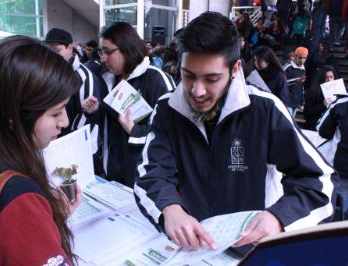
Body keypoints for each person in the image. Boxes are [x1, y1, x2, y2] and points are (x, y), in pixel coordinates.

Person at [134, 12, 336, 251]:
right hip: (194, 247)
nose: (197, 91)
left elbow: (319, 180)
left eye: (212, 78)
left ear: (235, 68)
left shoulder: (264, 109)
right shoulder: (168, 109)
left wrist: (279, 218)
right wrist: (170, 209)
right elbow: (151, 173)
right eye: (188, 76)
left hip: (253, 246)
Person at [0, 35, 82, 264]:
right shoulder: (18, 198)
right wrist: (41, 220)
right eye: (55, 112)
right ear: (13, 115)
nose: (65, 121)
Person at [88, 22, 175, 186]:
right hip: (113, 174)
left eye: (108, 52)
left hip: (146, 180)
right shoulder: (108, 79)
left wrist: (135, 130)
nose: (103, 58)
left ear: (127, 48)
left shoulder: (157, 80)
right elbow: (110, 126)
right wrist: (95, 111)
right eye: (101, 52)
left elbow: (174, 132)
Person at [45, 28, 101, 139]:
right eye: (49, 51)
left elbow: (85, 119)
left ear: (70, 48)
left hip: (76, 144)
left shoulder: (84, 77)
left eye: (56, 51)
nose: (52, 55)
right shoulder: (51, 72)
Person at [304, 65, 335, 130]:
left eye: (331, 77)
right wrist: (322, 104)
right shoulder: (313, 91)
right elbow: (306, 112)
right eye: (326, 77)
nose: (329, 80)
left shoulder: (337, 91)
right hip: (314, 127)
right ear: (322, 78)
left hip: (329, 127)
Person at [284, 46, 308, 117]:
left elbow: (301, 87)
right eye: (300, 57)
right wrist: (295, 81)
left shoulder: (303, 69)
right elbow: (280, 83)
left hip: (295, 102)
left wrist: (301, 102)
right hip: (286, 102)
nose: (302, 60)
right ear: (295, 56)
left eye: (304, 58)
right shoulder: (288, 67)